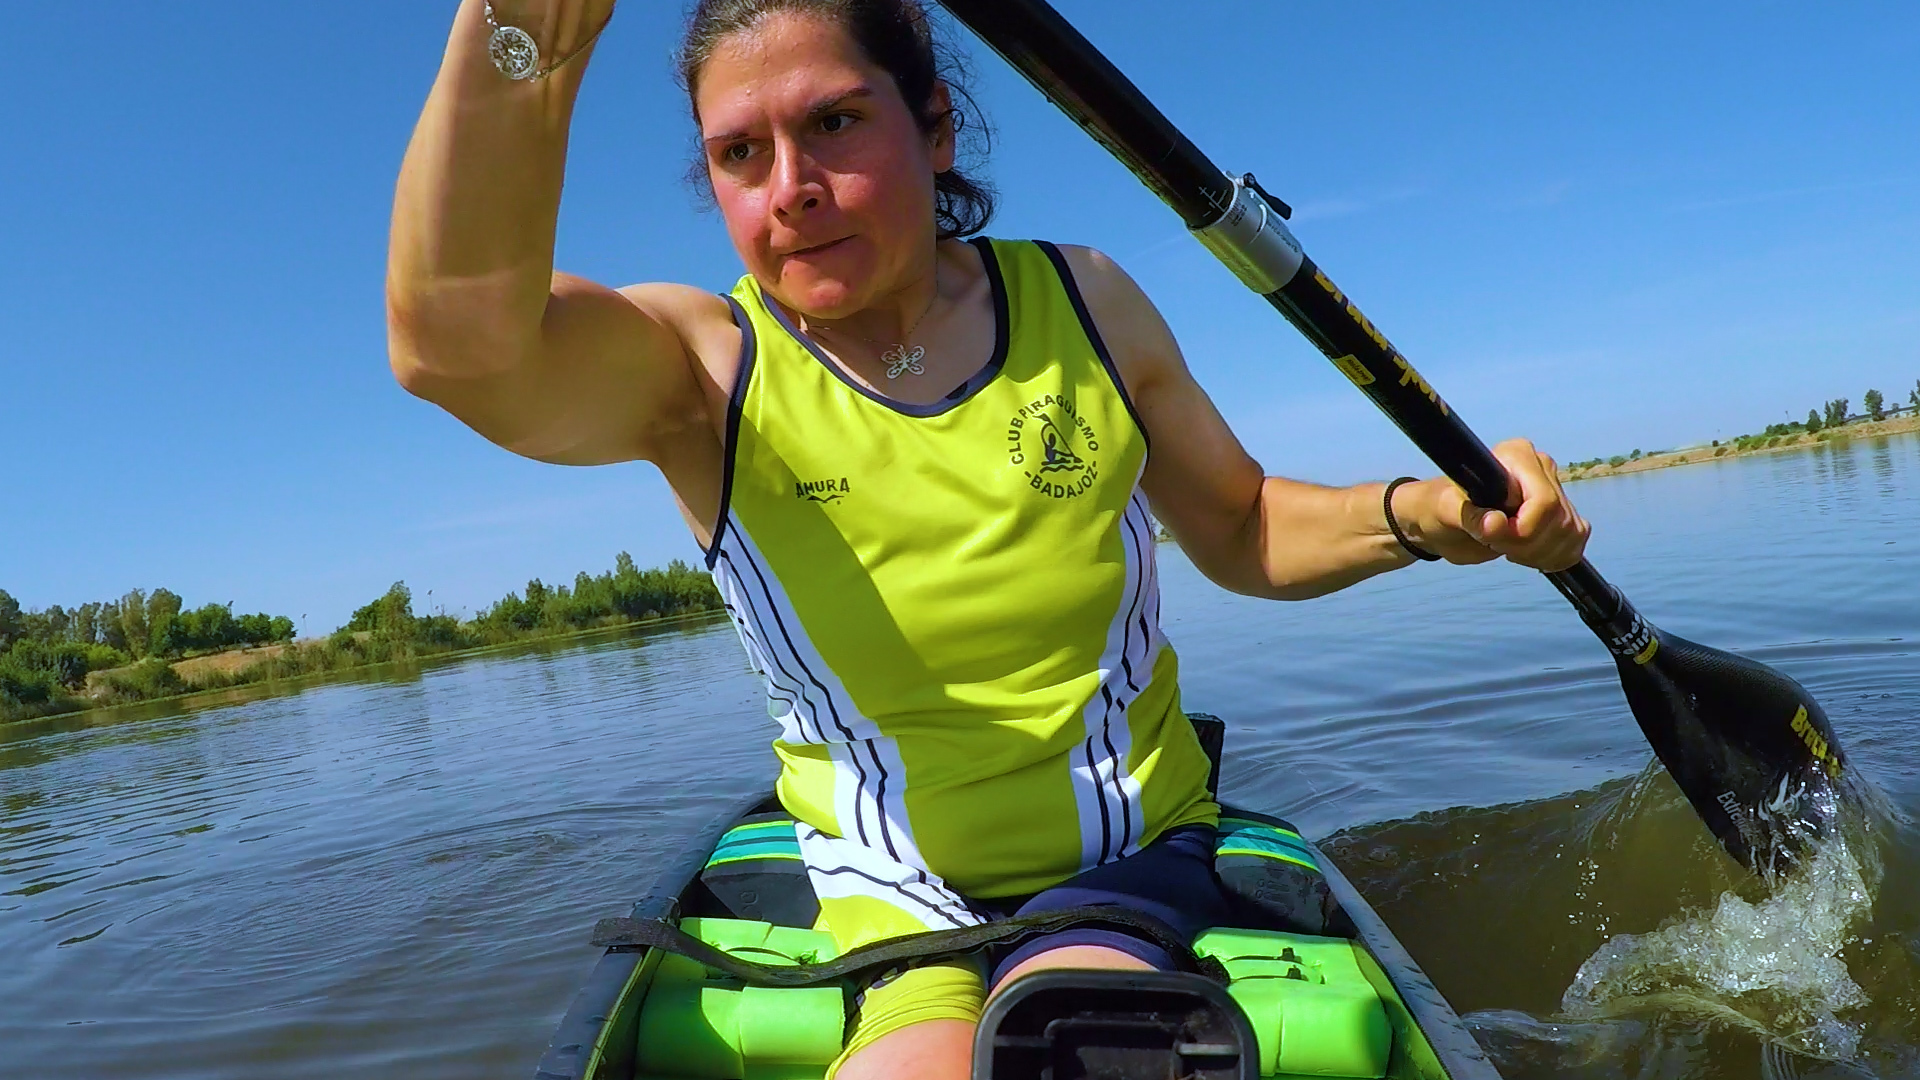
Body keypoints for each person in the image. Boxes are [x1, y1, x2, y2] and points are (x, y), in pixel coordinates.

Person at [386, 1, 1591, 1076]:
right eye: (740, 154)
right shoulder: (703, 370)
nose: (791, 184)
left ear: (937, 129)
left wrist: (1426, 514)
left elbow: (1240, 524)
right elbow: (452, 350)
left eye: (837, 123)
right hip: (888, 894)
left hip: (1130, 850)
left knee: (1079, 1038)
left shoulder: (1088, 302)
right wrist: (523, 35)